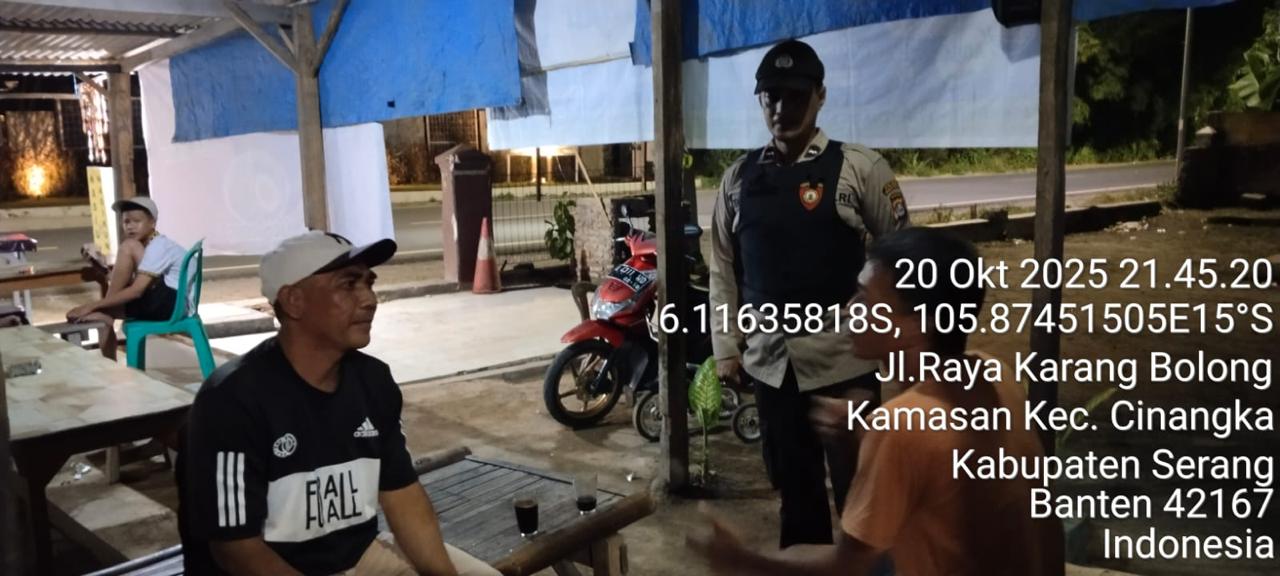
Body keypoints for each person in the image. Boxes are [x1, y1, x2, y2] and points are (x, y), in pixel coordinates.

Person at [691, 227, 1065, 575]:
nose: (849, 309)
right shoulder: (993, 372)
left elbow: (847, 567)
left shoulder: (902, 424)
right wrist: (859, 439)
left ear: (918, 323)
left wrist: (742, 559)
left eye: (866, 300)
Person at [179, 231, 498, 576]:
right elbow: (236, 549)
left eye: (369, 283)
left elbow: (402, 495)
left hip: (357, 557)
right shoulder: (232, 398)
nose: (369, 299)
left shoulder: (373, 381)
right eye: (348, 285)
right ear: (294, 301)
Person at [708, 38, 911, 547]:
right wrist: (726, 347)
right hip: (770, 366)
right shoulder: (738, 179)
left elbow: (903, 258)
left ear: (821, 96)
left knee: (863, 502)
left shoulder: (860, 169)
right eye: (771, 96)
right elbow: (723, 268)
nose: (782, 107)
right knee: (796, 500)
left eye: (796, 95)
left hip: (845, 364)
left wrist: (895, 342)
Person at [66, 197, 187, 359]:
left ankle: (109, 361)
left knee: (128, 247)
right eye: (126, 222)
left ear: (152, 222)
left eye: (137, 221)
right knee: (102, 313)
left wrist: (92, 306)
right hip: (171, 301)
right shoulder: (152, 245)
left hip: (170, 305)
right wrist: (101, 267)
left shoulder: (157, 247)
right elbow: (135, 283)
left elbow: (137, 290)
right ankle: (106, 321)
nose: (130, 226)